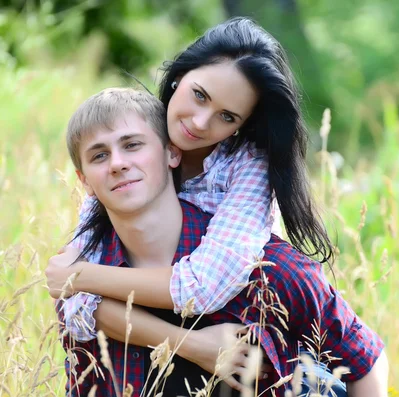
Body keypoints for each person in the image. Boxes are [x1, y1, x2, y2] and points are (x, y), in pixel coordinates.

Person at [54, 87, 388, 396]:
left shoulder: (265, 268)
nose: (117, 164)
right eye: (99, 156)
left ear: (172, 154)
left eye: (132, 145)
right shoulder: (81, 285)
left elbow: (364, 359)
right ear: (84, 181)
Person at [51, 16, 334, 346]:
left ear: (241, 125)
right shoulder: (132, 151)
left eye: (227, 116)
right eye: (199, 95)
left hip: (253, 324)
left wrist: (82, 276)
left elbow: (203, 287)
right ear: (180, 76)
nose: (200, 123)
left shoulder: (247, 167)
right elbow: (76, 305)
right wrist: (190, 346)